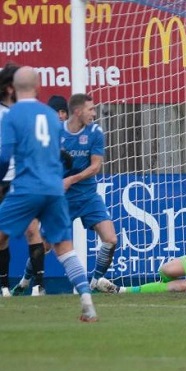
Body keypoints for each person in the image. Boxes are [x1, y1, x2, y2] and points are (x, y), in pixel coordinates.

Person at [0, 66, 97, 321]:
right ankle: (87, 300)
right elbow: (59, 155)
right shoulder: (51, 117)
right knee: (65, 247)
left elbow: (3, 157)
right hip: (54, 188)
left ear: (12, 88)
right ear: (38, 86)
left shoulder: (12, 116)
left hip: (26, 187)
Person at [55, 94, 121, 294]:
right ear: (77, 111)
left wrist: (70, 180)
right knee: (44, 244)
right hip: (62, 199)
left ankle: (95, 281)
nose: (94, 113)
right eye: (90, 109)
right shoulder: (57, 132)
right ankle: (25, 283)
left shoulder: (95, 132)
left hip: (88, 196)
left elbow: (95, 167)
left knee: (110, 239)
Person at [0, 62, 48, 297]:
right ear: (10, 88)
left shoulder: (28, 113)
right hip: (2, 181)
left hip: (24, 181)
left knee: (32, 229)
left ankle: (39, 285)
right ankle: (4, 286)